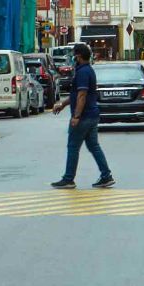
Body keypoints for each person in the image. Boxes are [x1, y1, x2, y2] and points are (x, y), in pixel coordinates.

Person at [48, 43, 113, 189]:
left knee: (73, 147)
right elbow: (76, 95)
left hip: (84, 117)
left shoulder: (83, 72)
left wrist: (76, 116)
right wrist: (63, 104)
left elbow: (82, 96)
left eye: (74, 55)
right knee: (94, 146)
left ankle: (68, 178)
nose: (72, 58)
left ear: (78, 56)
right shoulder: (87, 70)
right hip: (92, 115)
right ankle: (106, 175)